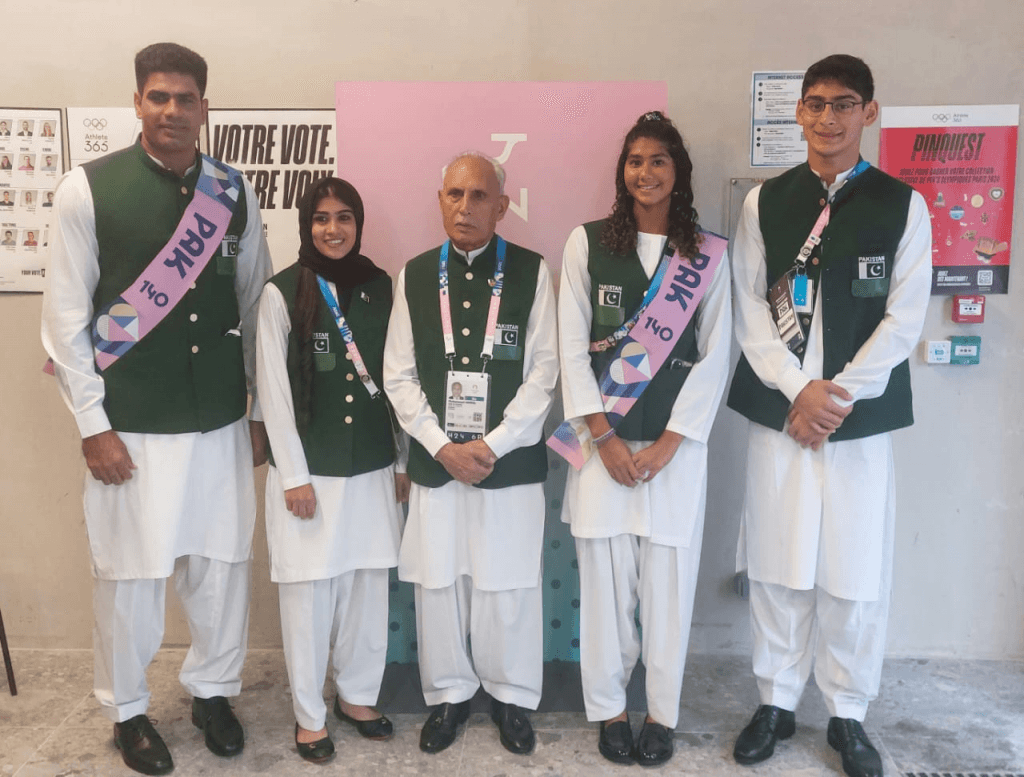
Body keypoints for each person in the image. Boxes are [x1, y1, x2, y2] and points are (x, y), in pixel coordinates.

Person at [41, 42, 273, 776]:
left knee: (221, 565)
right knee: (130, 577)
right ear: (137, 102)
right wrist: (93, 426)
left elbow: (255, 305)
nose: (172, 110)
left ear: (205, 106)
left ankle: (213, 692)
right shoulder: (87, 189)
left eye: (186, 98)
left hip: (220, 419)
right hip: (132, 423)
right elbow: (65, 323)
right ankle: (128, 711)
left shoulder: (233, 191)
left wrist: (259, 411)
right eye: (158, 97)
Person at [726, 55, 931, 777]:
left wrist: (834, 396)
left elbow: (904, 320)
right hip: (781, 412)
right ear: (799, 112)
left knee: (853, 564)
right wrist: (796, 389)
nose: (828, 117)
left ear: (868, 112)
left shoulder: (903, 205)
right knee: (779, 561)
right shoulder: (765, 202)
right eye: (815, 103)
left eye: (844, 104)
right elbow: (747, 306)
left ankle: (847, 710)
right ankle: (776, 700)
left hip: (856, 417)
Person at [556, 111, 731, 766]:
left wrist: (670, 442)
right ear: (621, 171)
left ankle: (661, 714)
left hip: (672, 453)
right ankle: (610, 710)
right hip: (602, 447)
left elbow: (717, 354)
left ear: (678, 171)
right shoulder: (587, 244)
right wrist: (603, 435)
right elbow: (570, 347)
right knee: (603, 589)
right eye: (635, 160)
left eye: (659, 160)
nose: (646, 172)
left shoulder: (708, 255)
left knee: (668, 589)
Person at [383, 152, 558, 757]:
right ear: (440, 201)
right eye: (454, 194)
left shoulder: (533, 272)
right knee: (439, 580)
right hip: (438, 465)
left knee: (508, 582)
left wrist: (491, 444)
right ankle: (449, 693)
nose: (465, 207)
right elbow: (398, 375)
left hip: (509, 463)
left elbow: (544, 373)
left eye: (479, 195)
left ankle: (511, 695)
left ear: (502, 206)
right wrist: (441, 447)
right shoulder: (413, 275)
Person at [256, 176, 409, 764]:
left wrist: (401, 459)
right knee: (309, 595)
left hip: (371, 464)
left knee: (367, 587)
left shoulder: (381, 287)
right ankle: (309, 716)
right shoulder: (281, 292)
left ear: (358, 224)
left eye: (344, 217)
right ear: (306, 225)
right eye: (321, 218)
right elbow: (272, 390)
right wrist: (293, 475)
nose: (333, 229)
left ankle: (357, 697)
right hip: (310, 473)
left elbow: (400, 379)